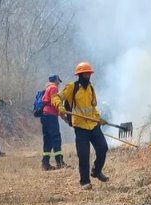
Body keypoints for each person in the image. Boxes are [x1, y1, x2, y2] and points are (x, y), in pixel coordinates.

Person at [53, 62, 109, 190]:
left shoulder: (91, 88)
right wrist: (60, 107)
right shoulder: (72, 87)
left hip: (93, 125)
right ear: (79, 74)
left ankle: (96, 171)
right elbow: (56, 97)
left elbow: (92, 107)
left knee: (103, 148)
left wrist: (99, 118)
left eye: (89, 73)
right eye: (86, 73)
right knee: (83, 154)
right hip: (80, 127)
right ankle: (85, 182)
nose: (88, 75)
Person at [40, 74, 67, 170]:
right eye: (59, 81)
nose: (59, 83)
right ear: (56, 80)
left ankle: (45, 163)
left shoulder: (47, 88)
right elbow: (55, 102)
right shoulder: (53, 88)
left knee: (47, 140)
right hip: (51, 116)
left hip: (45, 116)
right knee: (56, 138)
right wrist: (63, 115)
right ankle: (59, 162)